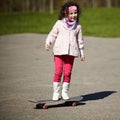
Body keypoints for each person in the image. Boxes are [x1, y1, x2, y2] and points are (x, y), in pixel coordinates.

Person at [45, 1, 85, 101]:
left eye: (75, 13)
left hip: (71, 53)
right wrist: (48, 42)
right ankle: (56, 92)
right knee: (58, 71)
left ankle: (64, 92)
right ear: (65, 13)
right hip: (58, 52)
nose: (74, 15)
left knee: (67, 73)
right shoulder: (59, 24)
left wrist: (82, 53)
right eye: (71, 13)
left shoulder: (78, 26)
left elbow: (80, 41)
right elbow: (52, 34)